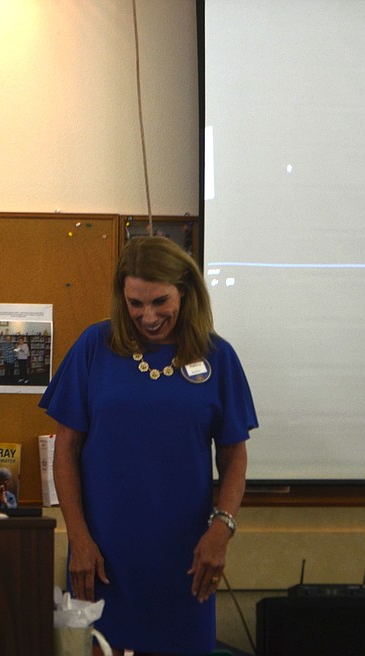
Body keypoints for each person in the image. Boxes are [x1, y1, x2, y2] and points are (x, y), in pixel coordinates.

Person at [39, 236, 257, 656]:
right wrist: (78, 539)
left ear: (186, 292)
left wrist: (222, 528)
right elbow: (64, 450)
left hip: (187, 559)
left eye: (160, 301)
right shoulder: (94, 346)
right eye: (135, 303)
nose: (148, 315)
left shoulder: (218, 357)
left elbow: (234, 456)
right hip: (102, 556)